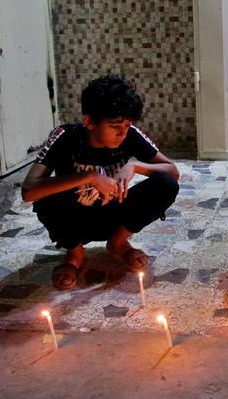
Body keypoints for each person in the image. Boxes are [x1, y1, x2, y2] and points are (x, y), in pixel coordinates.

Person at [22, 74, 180, 290]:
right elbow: (29, 191)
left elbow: (172, 170)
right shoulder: (66, 136)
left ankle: (118, 243)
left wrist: (135, 166)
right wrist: (90, 177)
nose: (122, 133)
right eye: (115, 125)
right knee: (45, 197)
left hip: (114, 214)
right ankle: (75, 253)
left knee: (165, 184)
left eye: (127, 124)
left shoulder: (130, 135)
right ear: (89, 121)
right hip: (74, 218)